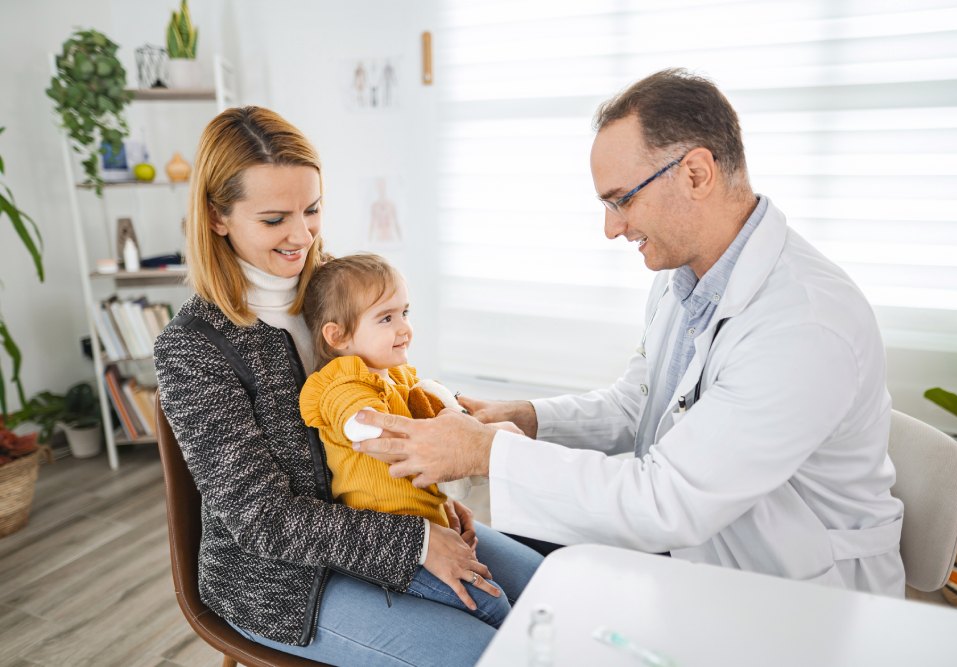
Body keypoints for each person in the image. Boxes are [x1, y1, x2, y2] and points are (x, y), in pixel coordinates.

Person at [354, 68, 906, 596]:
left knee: (513, 584)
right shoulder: (685, 276)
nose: (611, 227)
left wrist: (486, 453)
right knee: (498, 555)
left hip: (794, 588)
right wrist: (527, 417)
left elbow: (669, 500)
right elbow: (634, 406)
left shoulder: (803, 325)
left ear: (696, 173)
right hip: (703, 542)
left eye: (622, 199)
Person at [153, 106, 541, 667]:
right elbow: (261, 518)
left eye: (312, 210)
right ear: (217, 217)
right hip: (281, 585)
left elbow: (386, 397)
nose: (302, 235)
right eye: (273, 219)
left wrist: (425, 500)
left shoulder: (331, 288)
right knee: (489, 654)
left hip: (387, 520)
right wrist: (416, 542)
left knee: (547, 592)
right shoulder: (194, 346)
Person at [299, 252, 514, 628]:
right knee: (490, 606)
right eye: (386, 318)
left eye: (405, 313)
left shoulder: (395, 376)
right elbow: (361, 422)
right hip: (386, 541)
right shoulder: (343, 381)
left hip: (427, 521)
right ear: (338, 336)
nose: (404, 328)